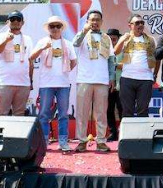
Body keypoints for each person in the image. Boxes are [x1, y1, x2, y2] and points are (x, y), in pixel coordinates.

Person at [30, 16, 77, 151]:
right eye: (52, 26)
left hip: (63, 84)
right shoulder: (42, 41)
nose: (55, 28)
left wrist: (65, 71)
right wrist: (42, 48)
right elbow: (31, 57)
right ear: (48, 28)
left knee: (63, 115)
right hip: (46, 84)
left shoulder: (67, 43)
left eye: (58, 26)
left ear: (62, 28)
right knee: (44, 114)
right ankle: (44, 141)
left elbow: (74, 61)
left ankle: (63, 142)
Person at [72, 10, 115, 152]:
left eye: (97, 20)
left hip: (102, 80)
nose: (95, 22)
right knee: (82, 113)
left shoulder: (106, 38)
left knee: (101, 113)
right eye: (92, 20)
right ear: (87, 21)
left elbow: (111, 60)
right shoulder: (82, 35)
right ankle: (82, 141)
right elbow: (75, 44)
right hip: (84, 79)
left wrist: (112, 77)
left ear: (101, 22)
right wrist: (84, 31)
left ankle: (101, 141)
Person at [114, 14, 160, 118]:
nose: (140, 25)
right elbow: (115, 52)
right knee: (127, 111)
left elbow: (157, 58)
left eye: (142, 23)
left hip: (145, 79)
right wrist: (121, 40)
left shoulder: (151, 39)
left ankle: (142, 130)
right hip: (127, 78)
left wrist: (155, 74)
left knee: (143, 111)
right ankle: (128, 130)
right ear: (130, 25)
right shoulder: (125, 38)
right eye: (137, 23)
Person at [0, 11, 34, 116]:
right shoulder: (1, 36)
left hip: (23, 84)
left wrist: (30, 81)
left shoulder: (28, 39)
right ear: (7, 22)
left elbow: (30, 61)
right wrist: (6, 40)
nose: (15, 21)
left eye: (18, 19)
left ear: (22, 22)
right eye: (12, 19)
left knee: (19, 116)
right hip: (4, 83)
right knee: (1, 114)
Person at [106, 28, 123, 141]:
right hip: (108, 84)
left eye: (114, 39)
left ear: (118, 39)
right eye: (110, 39)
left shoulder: (124, 50)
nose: (112, 42)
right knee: (109, 109)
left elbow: (128, 65)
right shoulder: (105, 50)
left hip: (122, 84)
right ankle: (112, 133)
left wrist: (114, 65)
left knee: (122, 109)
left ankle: (123, 132)